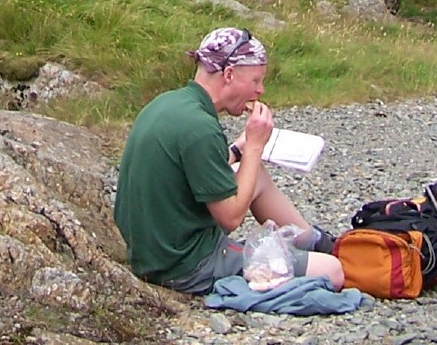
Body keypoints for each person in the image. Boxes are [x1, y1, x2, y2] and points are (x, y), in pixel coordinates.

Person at [114, 26, 345, 294]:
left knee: (253, 172)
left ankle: (315, 242)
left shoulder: (169, 103)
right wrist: (255, 146)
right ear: (229, 74)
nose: (261, 90)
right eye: (256, 81)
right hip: (186, 265)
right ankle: (323, 254)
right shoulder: (200, 127)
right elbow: (231, 218)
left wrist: (238, 149)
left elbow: (196, 166)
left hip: (151, 252)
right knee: (333, 271)